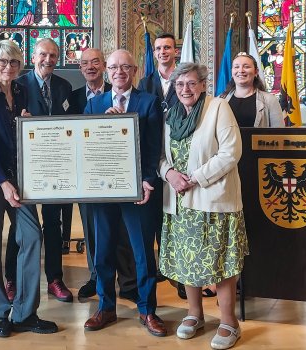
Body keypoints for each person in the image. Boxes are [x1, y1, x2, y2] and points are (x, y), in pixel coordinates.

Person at [0, 39, 59, 337]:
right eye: (3, 62)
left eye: (14, 63)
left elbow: (21, 134)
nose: (8, 67)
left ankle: (25, 312)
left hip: (19, 177)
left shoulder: (20, 91)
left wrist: (27, 125)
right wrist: (3, 182)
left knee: (32, 236)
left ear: (21, 65)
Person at [158, 63, 248, 349]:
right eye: (180, 84)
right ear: (174, 87)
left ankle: (228, 322)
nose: (185, 89)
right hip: (180, 202)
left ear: (203, 85)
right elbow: (159, 156)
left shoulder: (218, 107)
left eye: (191, 83)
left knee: (219, 260)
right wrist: (169, 174)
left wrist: (195, 178)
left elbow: (231, 152)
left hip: (212, 198)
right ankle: (194, 313)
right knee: (188, 259)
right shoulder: (170, 115)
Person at [82, 49, 166, 337]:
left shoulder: (149, 102)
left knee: (142, 252)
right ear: (107, 71)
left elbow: (155, 147)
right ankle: (106, 307)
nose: (119, 72)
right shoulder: (94, 106)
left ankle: (147, 309)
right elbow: (85, 148)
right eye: (114, 67)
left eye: (125, 67)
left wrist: (147, 180)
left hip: (137, 191)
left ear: (135, 71)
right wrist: (103, 125)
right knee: (103, 250)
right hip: (103, 191)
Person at [69, 48, 138, 303]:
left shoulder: (133, 95)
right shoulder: (83, 100)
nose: (90, 67)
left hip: (126, 178)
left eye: (96, 62)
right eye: (85, 63)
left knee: (124, 231)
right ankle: (97, 278)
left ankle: (129, 281)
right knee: (95, 231)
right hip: (93, 178)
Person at [9, 38, 74, 303]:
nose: (48, 60)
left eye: (53, 56)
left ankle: (55, 279)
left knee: (53, 223)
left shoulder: (64, 86)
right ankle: (12, 279)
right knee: (20, 226)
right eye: (44, 55)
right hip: (24, 167)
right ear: (33, 57)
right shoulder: (17, 86)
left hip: (55, 166)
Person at [136, 32, 187, 300]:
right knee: (156, 218)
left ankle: (181, 278)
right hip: (154, 157)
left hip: (178, 157)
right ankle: (158, 269)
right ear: (153, 53)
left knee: (176, 221)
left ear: (175, 52)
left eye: (167, 47)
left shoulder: (184, 81)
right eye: (158, 48)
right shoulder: (145, 83)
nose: (163, 52)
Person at [220, 52, 283, 128]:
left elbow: (279, 135)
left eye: (246, 67)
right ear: (232, 72)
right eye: (236, 67)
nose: (241, 70)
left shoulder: (270, 100)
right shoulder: (220, 99)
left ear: (256, 72)